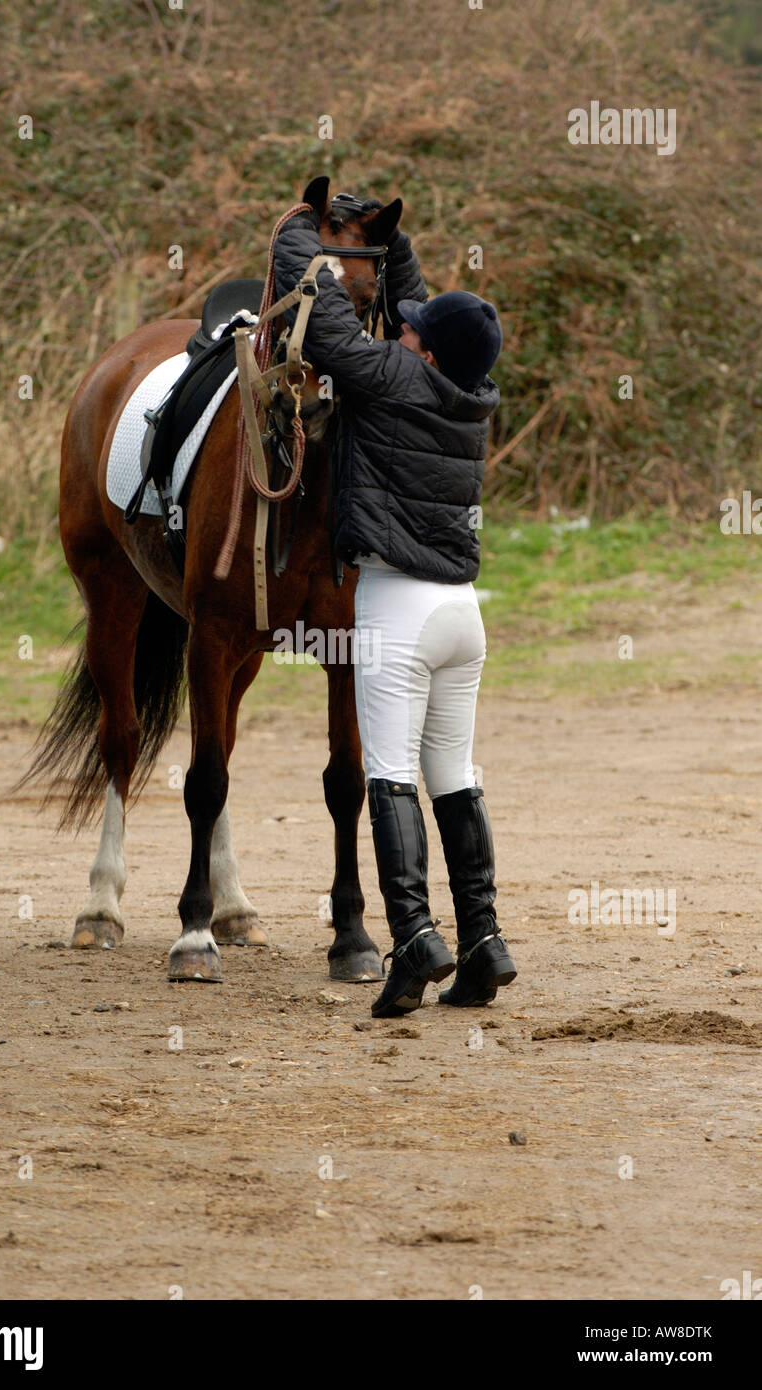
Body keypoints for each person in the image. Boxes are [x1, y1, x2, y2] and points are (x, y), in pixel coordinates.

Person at [274, 197, 517, 1019]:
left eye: (413, 333)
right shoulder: (472, 392)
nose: (401, 333)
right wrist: (392, 245)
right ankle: (483, 942)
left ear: (426, 351)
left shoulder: (387, 376)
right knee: (453, 776)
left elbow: (326, 323)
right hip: (462, 619)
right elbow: (420, 318)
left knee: (388, 775)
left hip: (397, 615)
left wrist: (300, 241)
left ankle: (413, 937)